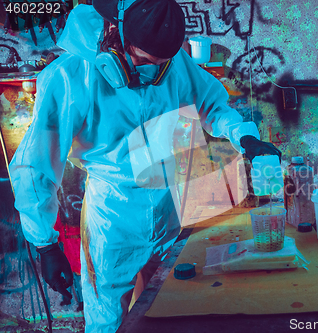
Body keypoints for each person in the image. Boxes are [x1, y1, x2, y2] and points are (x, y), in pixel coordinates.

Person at [8, 0, 281, 332]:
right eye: (145, 62)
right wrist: (44, 244)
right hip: (114, 220)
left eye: (161, 65)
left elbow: (212, 103)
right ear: (116, 33)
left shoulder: (175, 64)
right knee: (109, 318)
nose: (153, 74)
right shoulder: (70, 77)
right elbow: (36, 166)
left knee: (174, 304)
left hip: (171, 208)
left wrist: (245, 137)